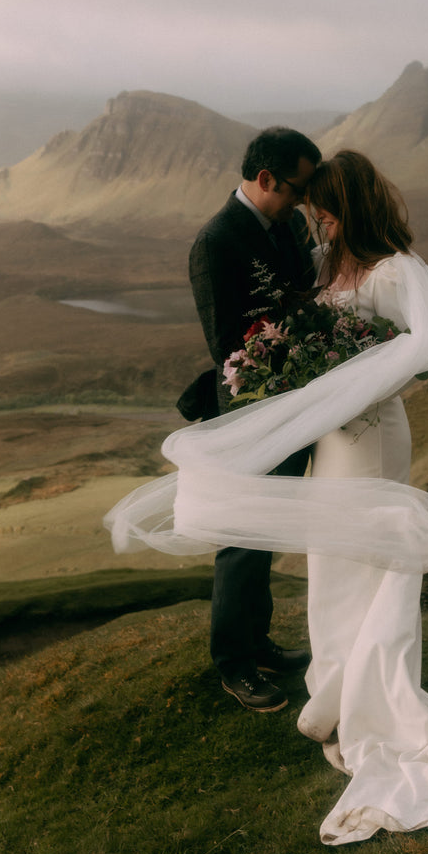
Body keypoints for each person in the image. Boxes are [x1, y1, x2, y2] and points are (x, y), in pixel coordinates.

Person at [105, 149, 428, 844]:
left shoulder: (396, 269)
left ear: (344, 207)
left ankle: (378, 702)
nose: (312, 222)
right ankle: (340, 692)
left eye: (321, 211)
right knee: (332, 562)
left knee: (370, 564)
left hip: (369, 432)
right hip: (332, 434)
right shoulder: (329, 265)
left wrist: (347, 382)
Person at [187, 126, 321, 713]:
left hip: (294, 403)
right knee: (243, 536)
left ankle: (259, 643)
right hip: (249, 409)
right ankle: (234, 665)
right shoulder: (216, 240)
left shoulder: (289, 225)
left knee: (266, 532)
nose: (303, 203)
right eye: (297, 188)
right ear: (265, 178)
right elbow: (226, 344)